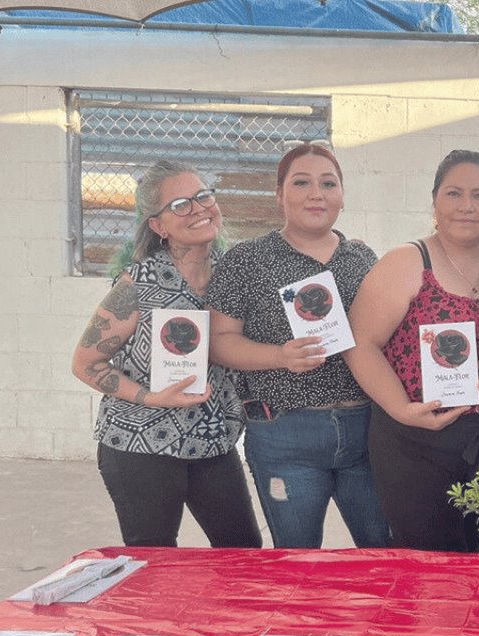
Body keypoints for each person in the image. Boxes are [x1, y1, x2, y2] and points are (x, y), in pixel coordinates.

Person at [70, 160, 261, 549]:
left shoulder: (234, 273)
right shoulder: (139, 283)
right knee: (154, 562)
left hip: (212, 442)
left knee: (243, 552)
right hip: (140, 444)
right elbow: (85, 363)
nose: (199, 208)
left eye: (203, 196)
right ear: (158, 226)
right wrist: (152, 397)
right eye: (181, 205)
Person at [208, 143, 388, 549]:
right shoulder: (247, 260)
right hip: (285, 432)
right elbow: (219, 343)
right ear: (279, 194)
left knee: (382, 549)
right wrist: (280, 356)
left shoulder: (363, 259)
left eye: (328, 183)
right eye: (301, 182)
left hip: (366, 428)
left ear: (342, 196)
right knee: (296, 558)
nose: (316, 193)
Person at [344, 150, 479, 552]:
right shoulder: (407, 262)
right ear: (434, 203)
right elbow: (360, 343)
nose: (466, 206)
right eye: (454, 193)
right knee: (428, 563)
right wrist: (402, 409)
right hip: (415, 440)